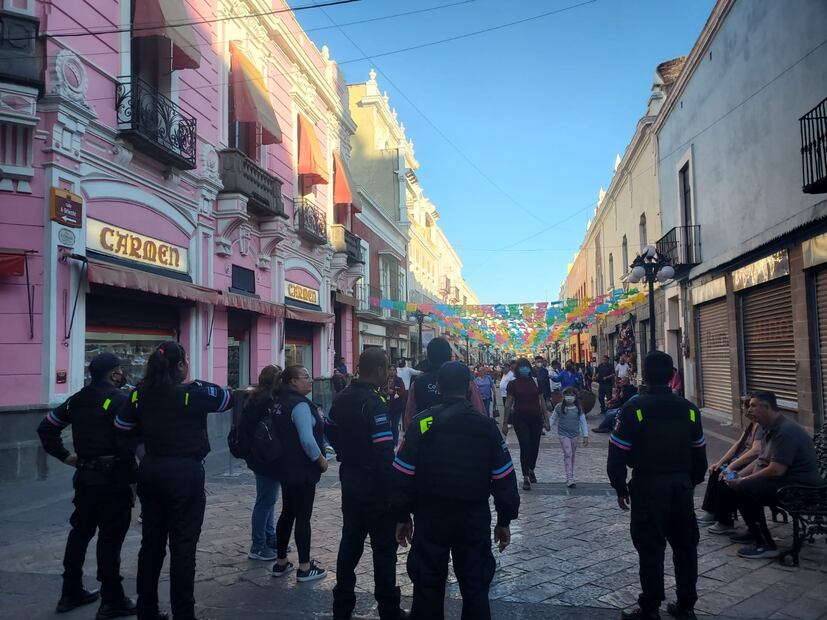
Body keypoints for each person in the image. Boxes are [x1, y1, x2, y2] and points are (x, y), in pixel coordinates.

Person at [113, 342, 233, 620]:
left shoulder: (139, 394)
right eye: (186, 361)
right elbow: (226, 399)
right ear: (180, 366)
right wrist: (198, 383)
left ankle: (147, 611)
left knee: (151, 544)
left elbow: (122, 427)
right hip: (184, 473)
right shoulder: (191, 394)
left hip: (152, 470)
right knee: (183, 547)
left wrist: (143, 448)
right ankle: (183, 614)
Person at [392, 362, 520, 620]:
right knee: (475, 587)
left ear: (439, 387)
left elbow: (402, 474)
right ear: (469, 387)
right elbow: (505, 478)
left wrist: (402, 516)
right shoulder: (485, 427)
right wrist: (504, 520)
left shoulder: (423, 423)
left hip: (430, 517)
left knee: (427, 585)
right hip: (472, 517)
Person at [607, 350, 707, 620]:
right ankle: (686, 605)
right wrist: (690, 481)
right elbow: (700, 453)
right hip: (681, 486)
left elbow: (617, 452)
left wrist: (620, 487)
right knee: (686, 547)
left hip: (648, 486)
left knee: (650, 548)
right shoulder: (689, 409)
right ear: (673, 374)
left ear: (645, 375)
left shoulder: (634, 408)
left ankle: (650, 607)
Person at [36, 352, 136, 618]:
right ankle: (112, 598)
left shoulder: (76, 400)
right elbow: (129, 444)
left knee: (80, 533)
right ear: (115, 374)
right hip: (112, 479)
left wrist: (65, 456)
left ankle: (71, 591)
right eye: (120, 371)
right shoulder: (120, 401)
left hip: (84, 478)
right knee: (109, 539)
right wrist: (133, 480)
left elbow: (46, 427)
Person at [327, 349, 409, 620]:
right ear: (380, 369)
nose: (389, 374)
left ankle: (342, 606)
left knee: (350, 542)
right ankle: (389, 609)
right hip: (375, 485)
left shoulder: (340, 399)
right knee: (384, 551)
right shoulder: (374, 404)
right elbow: (385, 453)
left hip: (350, 479)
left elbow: (328, 430)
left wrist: (346, 454)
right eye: (388, 368)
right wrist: (396, 497)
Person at [727, 391, 825, 559]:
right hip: (786, 481)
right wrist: (738, 474)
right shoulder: (769, 428)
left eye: (753, 406)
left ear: (766, 407)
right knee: (738, 484)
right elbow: (762, 459)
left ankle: (766, 544)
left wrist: (744, 480)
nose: (748, 410)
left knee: (745, 488)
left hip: (801, 488)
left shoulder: (784, 431)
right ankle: (754, 531)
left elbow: (776, 469)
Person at [270, 365, 328, 582]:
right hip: (302, 469)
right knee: (303, 516)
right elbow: (306, 438)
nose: (310, 380)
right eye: (305, 377)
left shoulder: (280, 401)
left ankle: (281, 561)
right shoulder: (300, 405)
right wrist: (321, 461)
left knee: (287, 513)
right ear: (293, 381)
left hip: (285, 467)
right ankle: (305, 567)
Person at [238, 365, 283, 561]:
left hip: (258, 456)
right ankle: (258, 545)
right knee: (265, 500)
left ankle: (270, 537)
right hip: (266, 456)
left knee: (269, 498)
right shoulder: (267, 401)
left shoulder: (256, 398)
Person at [699, 395, 762, 536]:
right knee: (716, 470)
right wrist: (721, 462)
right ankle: (711, 511)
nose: (746, 410)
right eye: (747, 407)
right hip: (742, 463)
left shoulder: (762, 427)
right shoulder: (751, 425)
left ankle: (725, 521)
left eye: (749, 407)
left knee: (726, 477)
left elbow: (756, 452)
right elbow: (738, 445)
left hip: (752, 466)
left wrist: (731, 467)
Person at [403, 337, 486, 428]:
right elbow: (478, 409)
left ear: (429, 356)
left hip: (427, 433)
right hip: (462, 431)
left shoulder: (418, 382)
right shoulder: (464, 378)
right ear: (449, 355)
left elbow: (409, 418)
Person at [502, 358, 549, 490]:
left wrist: (546, 419)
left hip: (536, 418)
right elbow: (508, 404)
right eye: (521, 366)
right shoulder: (513, 384)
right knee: (525, 445)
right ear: (517, 369)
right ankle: (525, 476)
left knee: (534, 446)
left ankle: (531, 468)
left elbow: (542, 401)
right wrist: (505, 423)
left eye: (526, 366)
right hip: (520, 418)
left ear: (529, 368)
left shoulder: (536, 381)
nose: (524, 369)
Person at [550, 386, 589, 488]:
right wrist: (546, 426)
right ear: (563, 396)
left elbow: (583, 422)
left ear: (576, 396)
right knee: (568, 453)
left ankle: (570, 474)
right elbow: (553, 418)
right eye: (567, 395)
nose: (569, 397)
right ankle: (570, 477)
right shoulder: (559, 407)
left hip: (575, 435)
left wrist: (585, 435)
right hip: (563, 434)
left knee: (572, 454)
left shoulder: (578, 408)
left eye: (572, 395)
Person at [387, 365, 407, 446]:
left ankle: (395, 443)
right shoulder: (384, 380)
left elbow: (403, 392)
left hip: (397, 407)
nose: (392, 371)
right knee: (387, 425)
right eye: (390, 370)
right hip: (386, 406)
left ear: (396, 371)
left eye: (393, 370)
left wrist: (395, 393)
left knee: (395, 426)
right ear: (387, 371)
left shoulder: (399, 380)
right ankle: (387, 442)